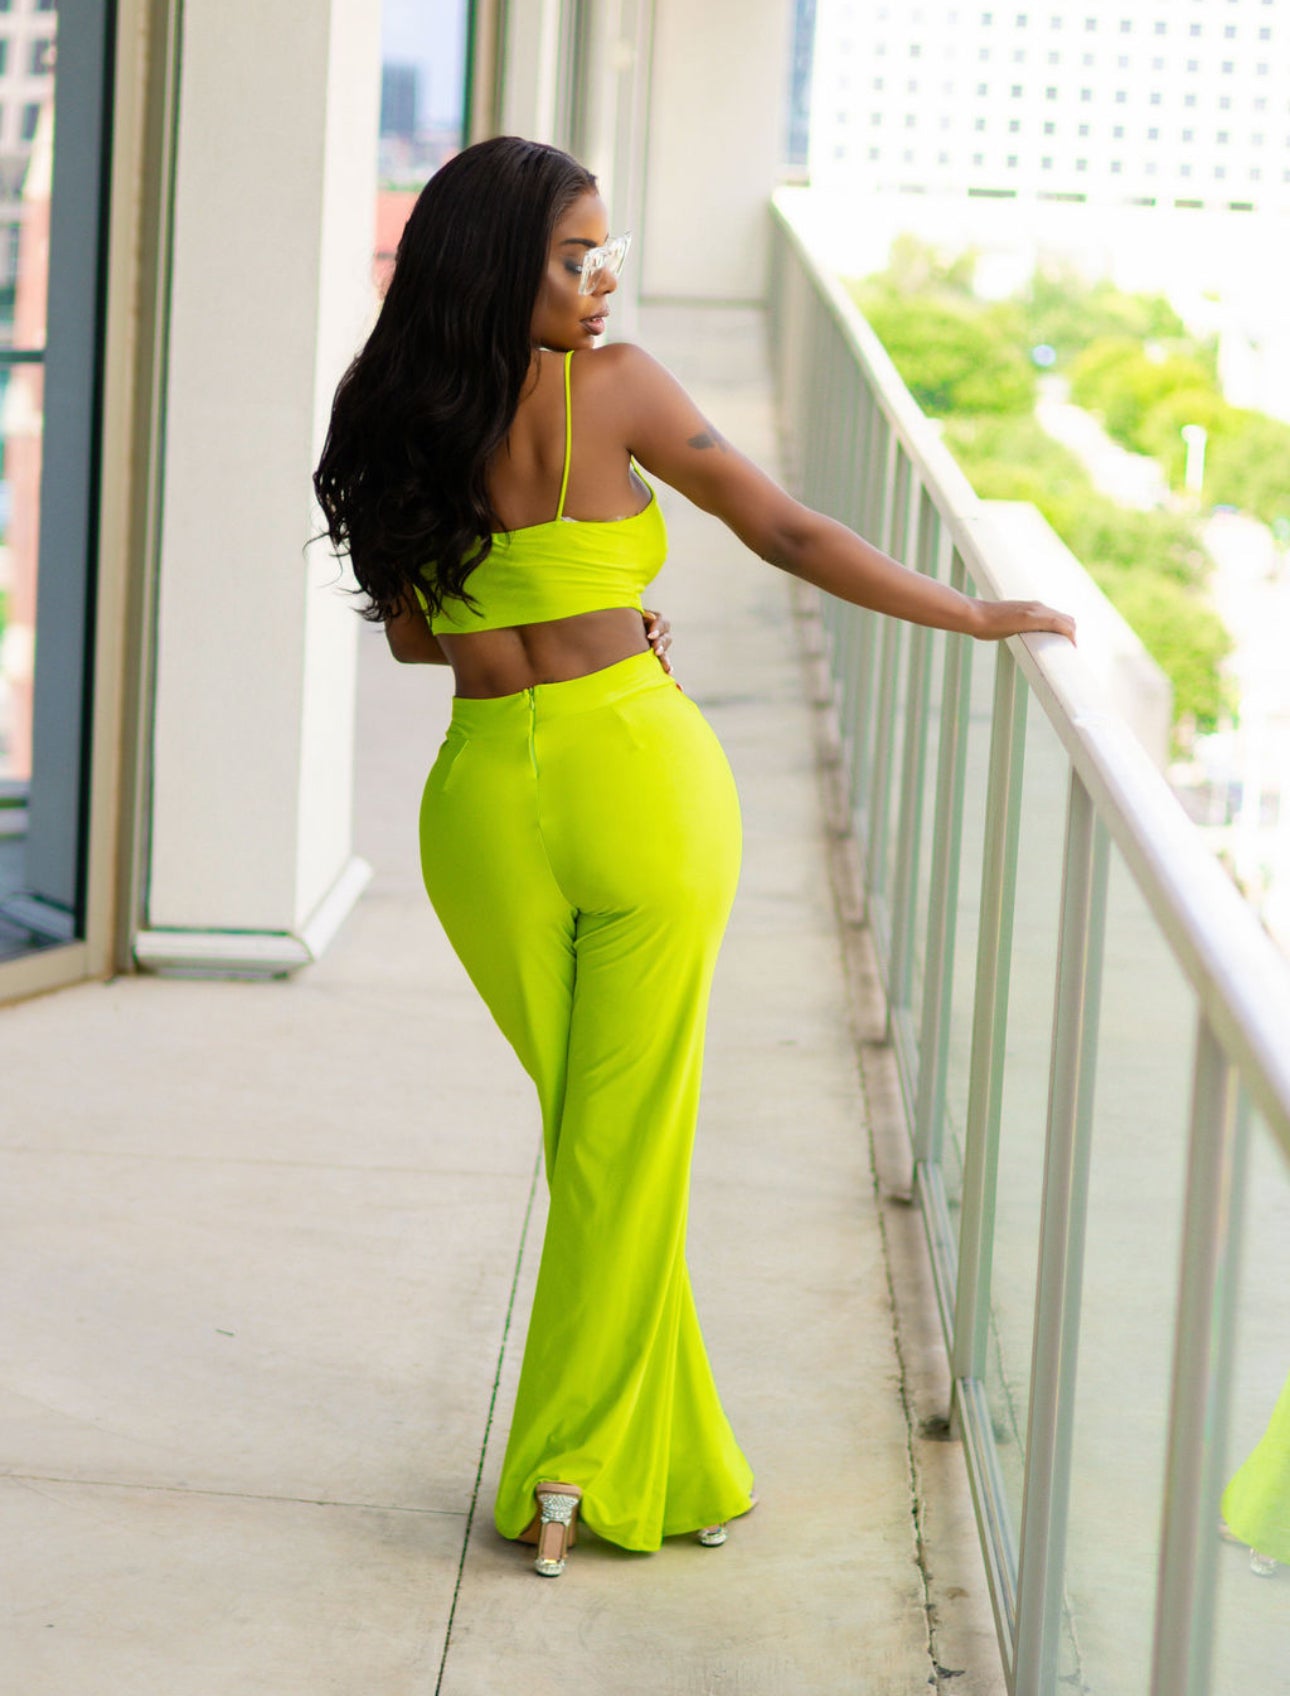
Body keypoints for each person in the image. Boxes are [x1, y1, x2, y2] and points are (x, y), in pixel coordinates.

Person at [312, 134, 1075, 1579]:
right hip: (641, 780)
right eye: (568, 255)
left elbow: (420, 637)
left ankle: (643, 1465)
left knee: (601, 1153)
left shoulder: (389, 411)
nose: (600, 283)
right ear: (496, 261)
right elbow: (782, 528)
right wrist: (974, 617)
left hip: (481, 808)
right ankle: (577, 1475)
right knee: (621, 1155)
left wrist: (544, 600)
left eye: (603, 253)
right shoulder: (620, 389)